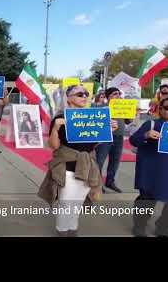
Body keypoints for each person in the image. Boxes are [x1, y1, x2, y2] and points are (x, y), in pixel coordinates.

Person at [38, 84, 118, 237]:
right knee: (66, 203)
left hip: (87, 166)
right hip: (67, 167)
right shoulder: (61, 117)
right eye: (80, 94)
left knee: (77, 203)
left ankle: (72, 230)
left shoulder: (91, 117)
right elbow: (53, 146)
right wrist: (55, 128)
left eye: (86, 94)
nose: (84, 97)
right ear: (69, 98)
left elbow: (92, 145)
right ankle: (62, 231)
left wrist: (107, 131)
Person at [130, 96, 168, 237]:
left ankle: (163, 227)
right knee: (147, 201)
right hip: (152, 174)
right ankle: (139, 225)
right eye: (167, 107)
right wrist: (146, 135)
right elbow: (133, 140)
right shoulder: (151, 124)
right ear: (161, 110)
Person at [95, 87, 129, 193]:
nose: (118, 96)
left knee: (115, 161)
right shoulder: (102, 108)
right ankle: (97, 184)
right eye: (115, 94)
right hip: (105, 137)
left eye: (119, 93)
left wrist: (131, 114)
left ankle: (110, 181)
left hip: (119, 137)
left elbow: (128, 121)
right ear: (108, 96)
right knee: (99, 161)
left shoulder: (123, 107)